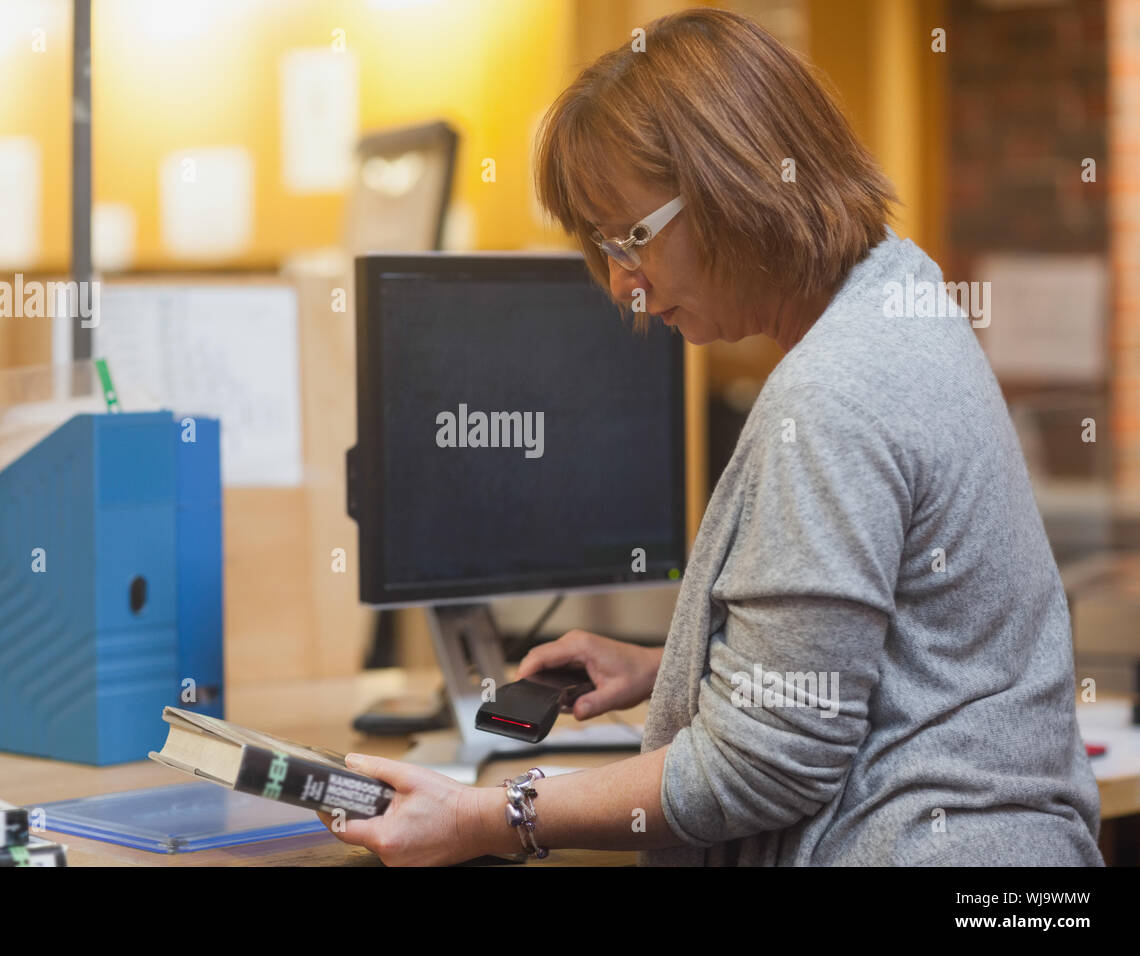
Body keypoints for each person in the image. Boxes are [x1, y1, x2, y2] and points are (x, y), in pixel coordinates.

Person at [320, 7, 1103, 866]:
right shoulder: (901, 294)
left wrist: (489, 816)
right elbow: (877, 652)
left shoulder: (833, 396)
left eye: (632, 240)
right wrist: (678, 665)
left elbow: (763, 768)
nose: (626, 286)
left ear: (737, 185)